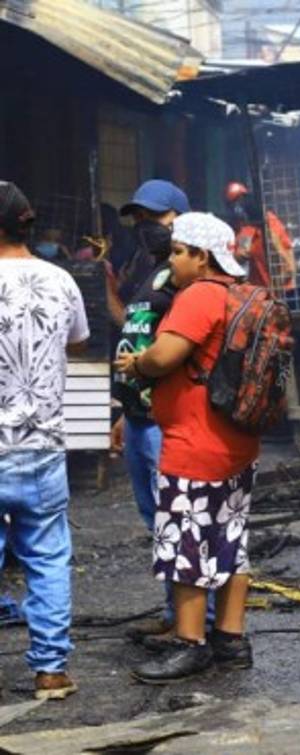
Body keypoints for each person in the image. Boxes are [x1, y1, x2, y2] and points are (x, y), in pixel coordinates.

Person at [114, 213, 260, 683]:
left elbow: (164, 356)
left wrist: (138, 364)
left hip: (195, 442)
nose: (172, 261)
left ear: (202, 257)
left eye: (179, 252)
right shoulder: (241, 292)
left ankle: (190, 643)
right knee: (231, 540)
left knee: (186, 543)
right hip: (235, 440)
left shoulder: (199, 295)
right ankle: (231, 641)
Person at [0, 180, 90, 700]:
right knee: (48, 557)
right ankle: (51, 671)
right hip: (42, 445)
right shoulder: (61, 280)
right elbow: (78, 343)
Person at [108, 180, 206, 648]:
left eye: (156, 218)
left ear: (180, 219)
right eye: (141, 219)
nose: (146, 227)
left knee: (179, 519)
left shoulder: (187, 276)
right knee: (158, 520)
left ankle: (197, 624)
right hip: (139, 416)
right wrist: (124, 411)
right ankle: (175, 614)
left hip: (166, 418)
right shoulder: (149, 272)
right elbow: (136, 331)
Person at [224, 181, 295, 292]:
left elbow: (288, 266)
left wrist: (275, 288)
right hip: (260, 290)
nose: (238, 207)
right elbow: (242, 253)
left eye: (241, 200)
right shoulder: (244, 227)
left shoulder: (268, 221)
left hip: (281, 290)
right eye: (233, 203)